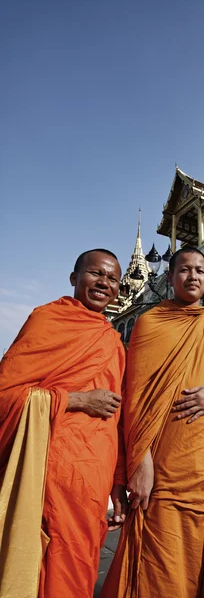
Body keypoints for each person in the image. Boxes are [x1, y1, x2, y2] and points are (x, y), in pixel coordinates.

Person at [102, 246, 204, 598]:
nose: (192, 276)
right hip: (161, 462)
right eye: (184, 270)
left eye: (199, 270)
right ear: (169, 278)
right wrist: (141, 461)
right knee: (158, 554)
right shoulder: (149, 323)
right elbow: (135, 395)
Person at [0, 249, 127, 598]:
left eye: (112, 278)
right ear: (74, 278)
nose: (104, 283)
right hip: (48, 468)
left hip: (94, 475)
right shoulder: (46, 320)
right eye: (95, 274)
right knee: (47, 562)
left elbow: (117, 417)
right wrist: (77, 400)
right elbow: (5, 394)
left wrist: (118, 485)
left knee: (80, 563)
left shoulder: (112, 341)